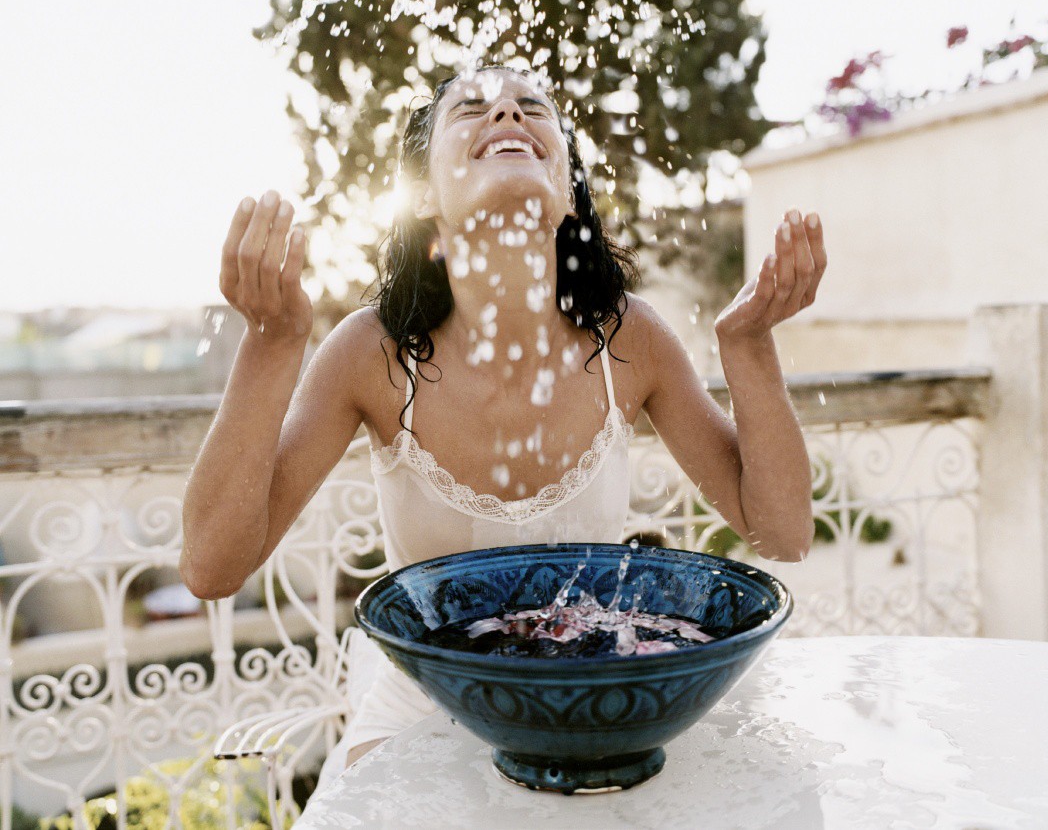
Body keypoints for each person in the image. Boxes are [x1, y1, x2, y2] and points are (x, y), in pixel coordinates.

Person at [180, 66, 825, 787]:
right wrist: (271, 343)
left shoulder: (630, 340)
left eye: (531, 107)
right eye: (472, 110)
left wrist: (749, 344)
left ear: (566, 186)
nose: (508, 116)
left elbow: (782, 532)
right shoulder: (371, 353)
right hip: (420, 708)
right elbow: (212, 566)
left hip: (592, 708)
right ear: (423, 194)